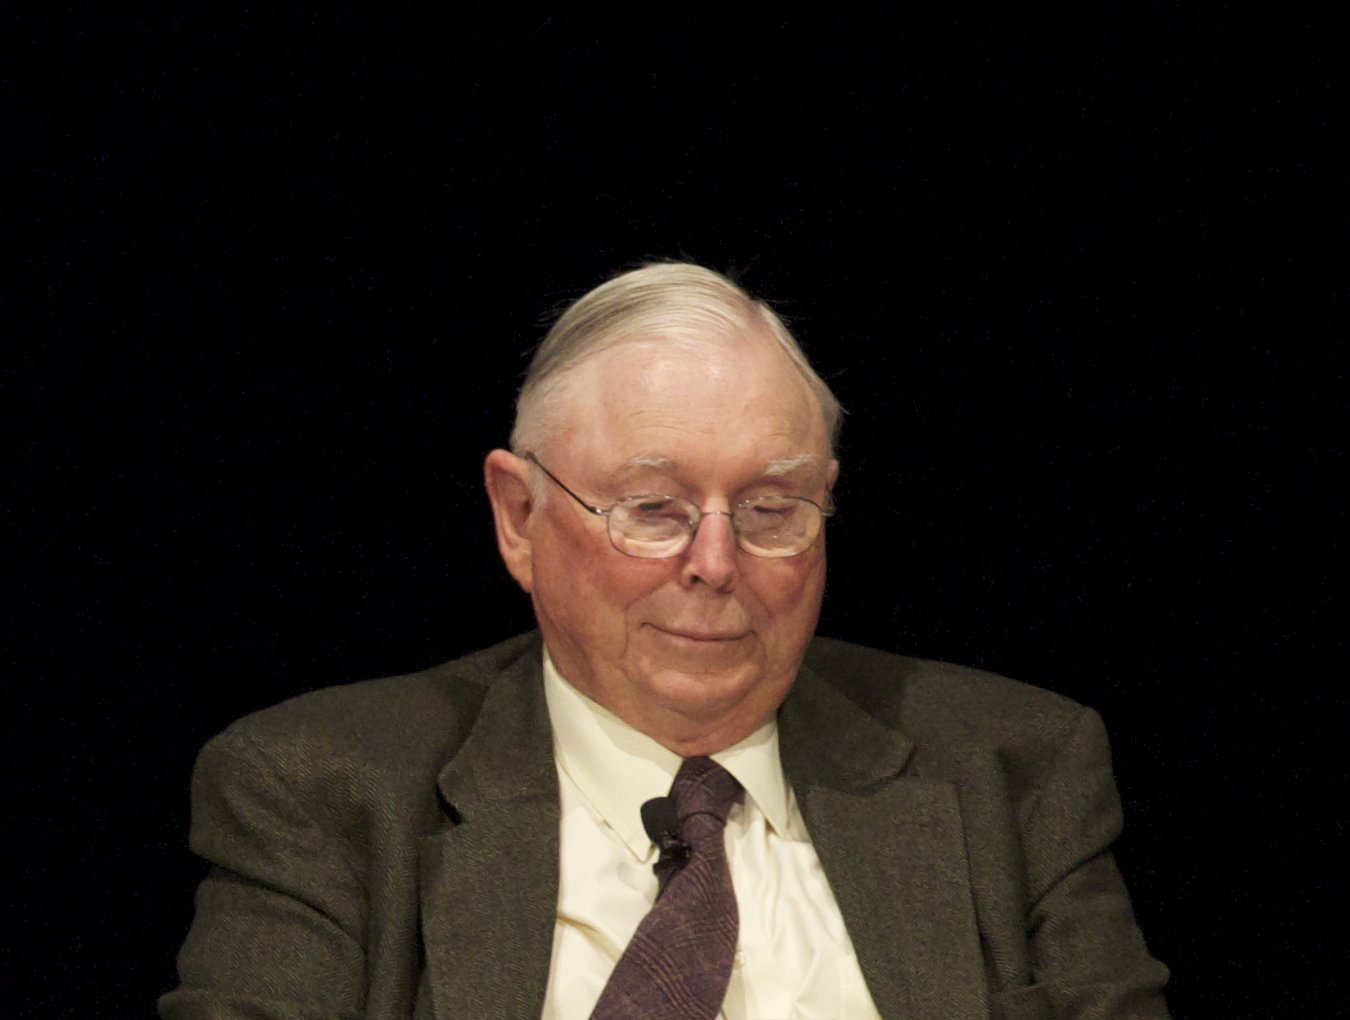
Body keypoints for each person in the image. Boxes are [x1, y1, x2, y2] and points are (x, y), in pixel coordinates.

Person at [160, 263, 1171, 1019]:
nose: (716, 562)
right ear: (519, 517)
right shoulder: (324, 793)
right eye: (653, 508)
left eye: (772, 508)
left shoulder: (1017, 772)